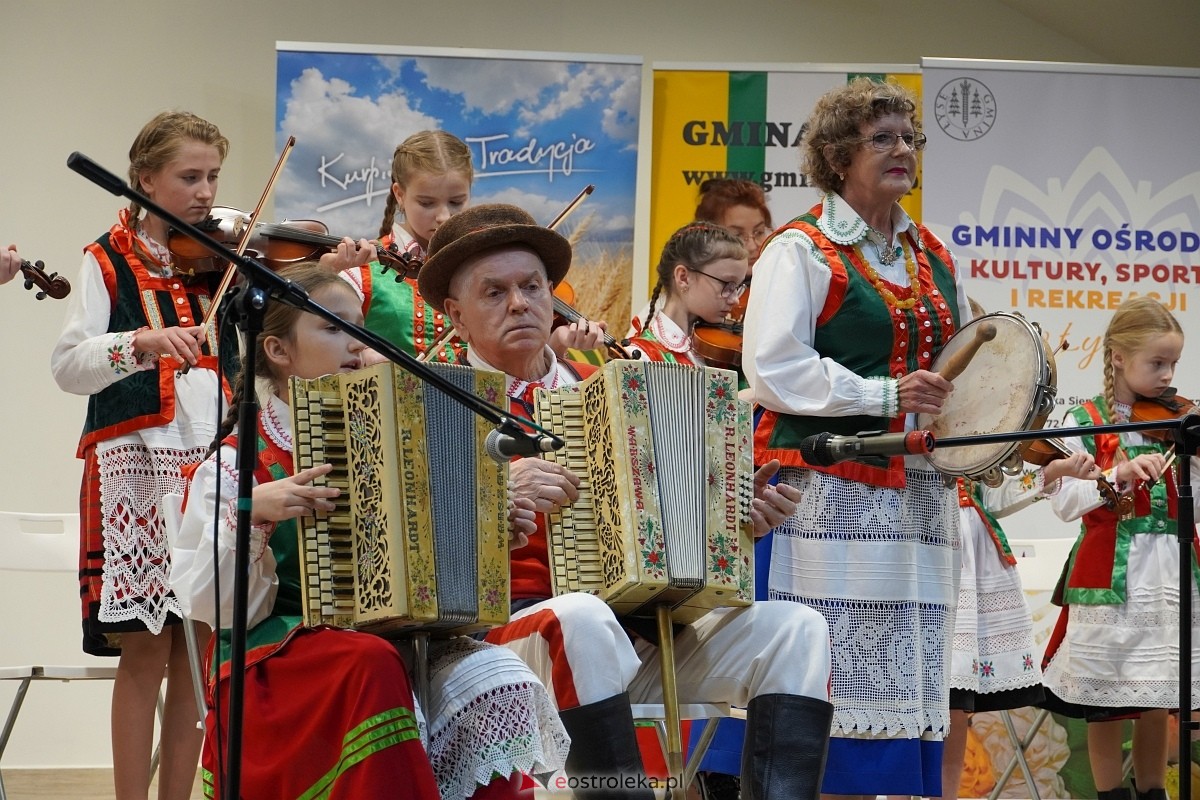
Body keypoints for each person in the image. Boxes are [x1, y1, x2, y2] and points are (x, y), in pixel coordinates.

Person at [417, 202, 835, 800]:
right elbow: (409, 559)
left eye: (532, 286)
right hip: (497, 638)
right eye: (494, 292)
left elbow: (679, 527)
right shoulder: (432, 405)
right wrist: (491, 502)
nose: (519, 303)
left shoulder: (616, 392)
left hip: (640, 629)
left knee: (797, 628)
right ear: (456, 315)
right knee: (581, 616)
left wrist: (739, 519)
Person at [168, 261, 570, 799]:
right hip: (278, 654)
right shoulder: (237, 465)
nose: (357, 345)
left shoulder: (401, 439)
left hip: (399, 637)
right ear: (279, 352)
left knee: (500, 674)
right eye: (334, 328)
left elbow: (432, 569)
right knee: (369, 661)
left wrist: (493, 536)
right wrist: (254, 513)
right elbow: (210, 605)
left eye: (361, 327)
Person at [741, 77, 972, 799]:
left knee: (908, 672)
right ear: (840, 156)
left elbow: (961, 356)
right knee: (829, 675)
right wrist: (881, 396)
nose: (904, 149)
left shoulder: (929, 251)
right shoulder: (800, 249)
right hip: (825, 492)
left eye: (911, 137)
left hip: (917, 497)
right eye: (885, 138)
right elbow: (774, 368)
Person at [50, 110, 241, 800]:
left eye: (212, 176)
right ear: (144, 179)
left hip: (207, 463)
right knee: (146, 648)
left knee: (197, 647)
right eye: (189, 177)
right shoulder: (104, 258)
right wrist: (141, 344)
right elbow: (68, 365)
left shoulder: (216, 258)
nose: (204, 192)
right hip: (134, 461)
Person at [1041, 296, 1199, 800]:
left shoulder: (1180, 423)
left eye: (1173, 363)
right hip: (1112, 578)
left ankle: (1154, 791)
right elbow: (1065, 503)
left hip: (1171, 574)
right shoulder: (1089, 421)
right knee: (1106, 701)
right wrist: (1118, 476)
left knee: (1159, 695)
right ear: (1117, 357)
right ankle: (1112, 794)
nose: (1167, 375)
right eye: (1157, 363)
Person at [343, 129, 602, 361]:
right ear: (399, 195)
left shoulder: (488, 264)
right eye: (426, 203)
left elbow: (520, 370)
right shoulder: (363, 271)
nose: (443, 216)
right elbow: (332, 351)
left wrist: (558, 342)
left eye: (456, 202)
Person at [629, 178, 771, 340]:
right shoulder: (658, 319)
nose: (752, 246)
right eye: (737, 236)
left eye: (759, 232)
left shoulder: (771, 293)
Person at [627, 221, 748, 367]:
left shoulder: (725, 353)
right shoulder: (640, 358)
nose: (735, 299)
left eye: (737, 287)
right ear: (683, 277)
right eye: (727, 284)